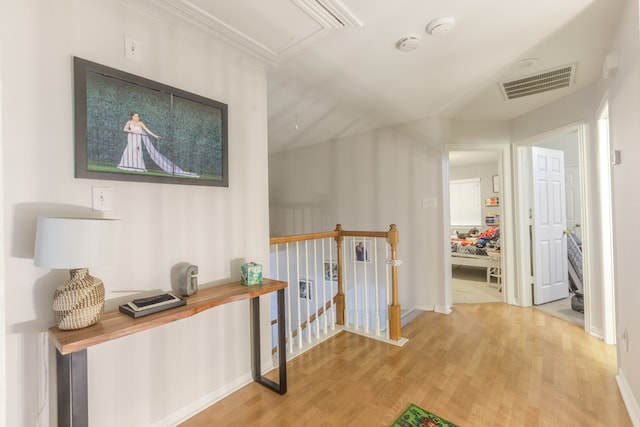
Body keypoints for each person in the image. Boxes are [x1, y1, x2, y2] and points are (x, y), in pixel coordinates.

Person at [118, 112, 198, 177]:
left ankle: (137, 166)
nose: (137, 117)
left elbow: (147, 130)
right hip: (131, 137)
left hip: (138, 138)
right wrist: (132, 131)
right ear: (132, 117)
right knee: (129, 149)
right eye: (136, 116)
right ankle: (126, 164)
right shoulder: (129, 122)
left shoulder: (141, 123)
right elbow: (124, 129)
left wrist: (155, 136)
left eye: (138, 116)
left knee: (136, 151)